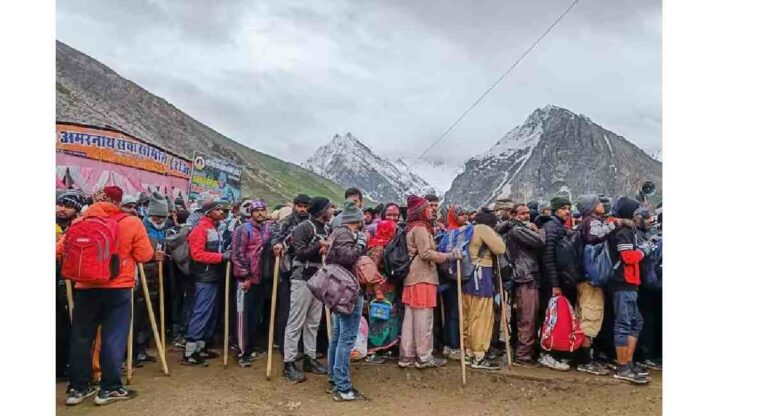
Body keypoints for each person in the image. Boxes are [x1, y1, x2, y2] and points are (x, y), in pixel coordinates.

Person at [58, 186, 154, 405]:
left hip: (84, 288)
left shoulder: (80, 222)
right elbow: (145, 254)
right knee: (113, 337)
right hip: (118, 289)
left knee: (81, 338)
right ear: (118, 202)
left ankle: (77, 389)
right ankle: (109, 388)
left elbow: (59, 250)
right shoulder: (131, 222)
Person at [399, 195, 459, 369]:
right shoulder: (421, 229)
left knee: (410, 318)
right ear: (420, 211)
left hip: (412, 278)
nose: (430, 210)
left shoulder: (411, 227)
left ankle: (407, 356)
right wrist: (448, 256)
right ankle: (424, 356)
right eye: (427, 208)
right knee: (424, 319)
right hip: (423, 277)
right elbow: (425, 253)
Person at [573, 194, 626, 376]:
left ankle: (585, 357)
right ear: (591, 207)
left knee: (585, 317)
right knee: (591, 317)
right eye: (597, 203)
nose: (601, 205)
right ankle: (585, 361)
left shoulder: (585, 222)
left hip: (584, 278)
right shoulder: (591, 222)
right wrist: (617, 224)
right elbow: (596, 236)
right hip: (591, 280)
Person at [282, 196, 332, 383]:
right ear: (321, 211)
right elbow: (299, 252)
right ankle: (289, 362)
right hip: (302, 278)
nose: (331, 211)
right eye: (328, 208)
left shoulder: (326, 228)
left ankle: (310, 358)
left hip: (319, 278)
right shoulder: (304, 228)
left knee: (313, 322)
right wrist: (319, 245)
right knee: (296, 321)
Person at [325, 201, 368, 401]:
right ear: (357, 220)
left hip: (338, 290)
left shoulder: (336, 233)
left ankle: (334, 378)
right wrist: (360, 243)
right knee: (346, 338)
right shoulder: (346, 235)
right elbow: (347, 257)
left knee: (338, 336)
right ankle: (343, 388)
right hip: (348, 291)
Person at [181, 200, 230, 367]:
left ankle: (200, 347)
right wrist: (221, 257)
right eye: (217, 210)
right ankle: (190, 350)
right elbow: (197, 254)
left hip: (213, 275)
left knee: (209, 313)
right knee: (200, 311)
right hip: (203, 276)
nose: (222, 212)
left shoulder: (214, 228)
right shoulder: (200, 229)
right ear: (208, 212)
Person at [607, 197, 650, 384]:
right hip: (622, 282)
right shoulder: (623, 231)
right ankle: (623, 365)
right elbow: (627, 257)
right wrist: (643, 251)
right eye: (635, 212)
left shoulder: (627, 230)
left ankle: (628, 361)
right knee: (624, 323)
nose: (638, 216)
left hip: (629, 283)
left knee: (636, 322)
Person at [463, 207, 507, 370]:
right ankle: (479, 355)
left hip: (467, 275)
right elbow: (500, 249)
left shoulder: (468, 228)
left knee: (468, 315)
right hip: (481, 275)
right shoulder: (484, 229)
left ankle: (469, 352)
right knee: (481, 317)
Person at [231, 199, 273, 368]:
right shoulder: (243, 229)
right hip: (246, 279)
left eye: (262, 210)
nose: (260, 213)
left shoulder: (267, 230)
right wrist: (245, 276)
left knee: (255, 315)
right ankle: (241, 352)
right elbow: (237, 254)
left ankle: (251, 347)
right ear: (251, 213)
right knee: (243, 316)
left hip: (261, 278)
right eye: (257, 211)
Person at [502, 203, 545, 367]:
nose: (526, 216)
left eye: (527, 213)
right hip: (525, 276)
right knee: (527, 317)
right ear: (514, 215)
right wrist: (538, 230)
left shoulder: (516, 229)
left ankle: (522, 351)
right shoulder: (517, 231)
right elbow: (540, 241)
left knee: (525, 316)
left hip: (524, 275)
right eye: (522, 213)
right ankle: (523, 356)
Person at [270, 194, 311, 354]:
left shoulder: (311, 222)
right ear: (294, 206)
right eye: (299, 206)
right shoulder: (287, 221)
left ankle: (300, 346)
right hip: (289, 269)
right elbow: (275, 238)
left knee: (304, 311)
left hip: (306, 270)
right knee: (287, 308)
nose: (302, 209)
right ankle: (283, 344)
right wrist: (278, 244)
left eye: (305, 206)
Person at [55, 190, 89, 380]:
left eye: (67, 206)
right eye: (60, 204)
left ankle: (66, 365)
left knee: (68, 324)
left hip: (70, 280)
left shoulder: (81, 227)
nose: (61, 209)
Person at [538, 196, 573, 371]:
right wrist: (555, 283)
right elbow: (548, 257)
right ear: (555, 210)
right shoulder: (551, 227)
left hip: (558, 279)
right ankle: (547, 354)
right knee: (551, 318)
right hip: (551, 281)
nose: (567, 212)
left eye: (569, 208)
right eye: (564, 208)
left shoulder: (559, 227)